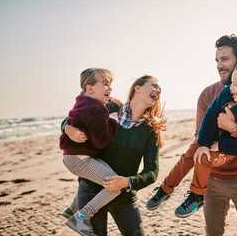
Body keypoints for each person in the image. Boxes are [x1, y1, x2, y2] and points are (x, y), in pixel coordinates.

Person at [146, 34, 237, 235]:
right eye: (217, 60)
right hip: (212, 180)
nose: (219, 65)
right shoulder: (209, 94)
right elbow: (201, 134)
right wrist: (208, 148)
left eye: (225, 59)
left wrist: (234, 129)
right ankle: (167, 190)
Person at [63, 75, 165, 235]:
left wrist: (127, 181)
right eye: (154, 85)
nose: (158, 90)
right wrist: (67, 128)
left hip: (124, 195)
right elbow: (73, 118)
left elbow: (152, 172)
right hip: (91, 190)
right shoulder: (109, 108)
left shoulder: (151, 130)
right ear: (137, 87)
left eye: (159, 89)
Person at [174, 56, 237, 218]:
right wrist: (204, 143)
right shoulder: (226, 93)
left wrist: (225, 142)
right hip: (214, 157)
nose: (231, 88)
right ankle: (194, 195)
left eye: (236, 85)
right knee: (200, 154)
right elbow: (209, 117)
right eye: (231, 83)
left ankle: (194, 194)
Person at [59, 68, 122, 236]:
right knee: (114, 186)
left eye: (110, 85)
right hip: (80, 159)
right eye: (105, 84)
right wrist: (113, 118)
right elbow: (102, 141)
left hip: (73, 156)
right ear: (90, 88)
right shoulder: (97, 108)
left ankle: (73, 206)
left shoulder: (82, 103)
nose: (110, 88)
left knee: (102, 171)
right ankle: (81, 216)